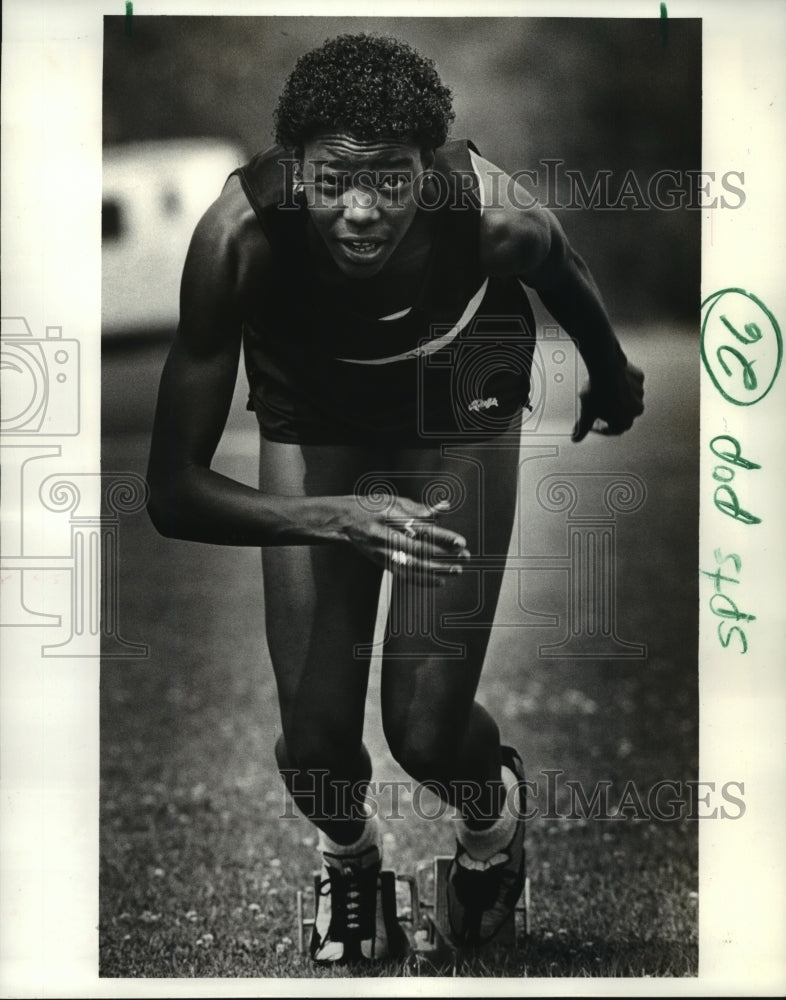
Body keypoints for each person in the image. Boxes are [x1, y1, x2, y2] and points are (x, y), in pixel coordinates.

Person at [146, 32, 644, 964]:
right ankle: (351, 862)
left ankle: (491, 833)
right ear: (294, 172)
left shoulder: (492, 216)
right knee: (315, 747)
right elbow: (172, 492)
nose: (363, 211)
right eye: (334, 183)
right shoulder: (236, 242)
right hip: (315, 403)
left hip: (458, 394)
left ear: (429, 171)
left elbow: (562, 269)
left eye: (393, 183)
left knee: (425, 734)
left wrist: (611, 377)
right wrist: (336, 517)